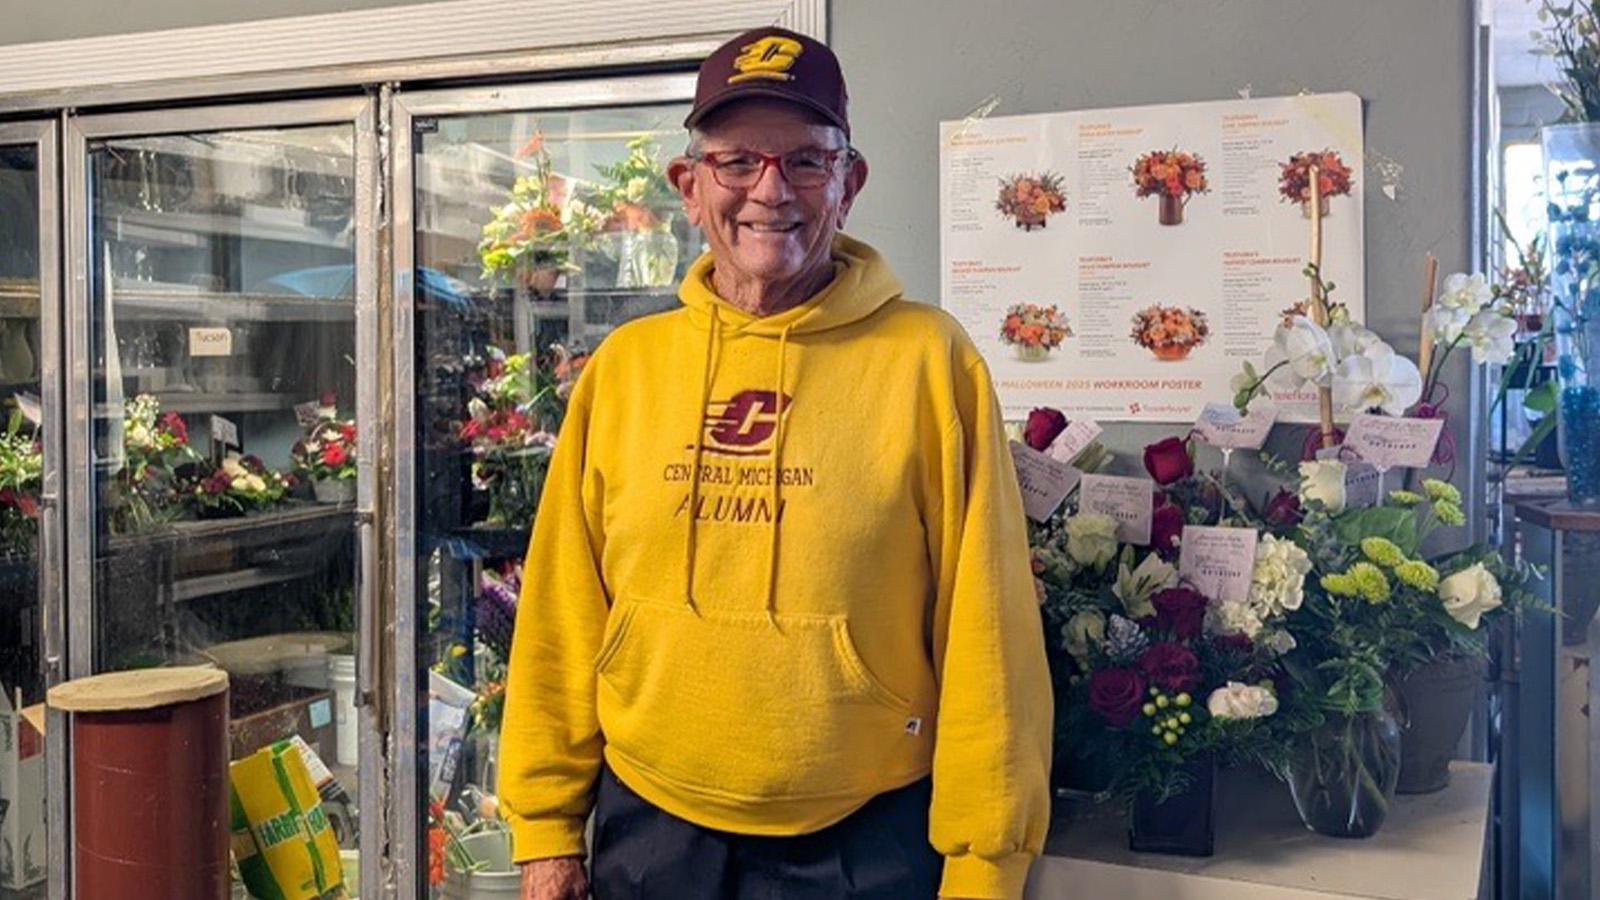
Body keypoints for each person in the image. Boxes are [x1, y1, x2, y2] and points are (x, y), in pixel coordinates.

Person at [501, 26, 1052, 900]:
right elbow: (561, 609)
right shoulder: (626, 369)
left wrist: (987, 866)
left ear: (850, 181)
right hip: (650, 826)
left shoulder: (930, 362)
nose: (770, 191)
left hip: (865, 839)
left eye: (805, 161)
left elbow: (989, 629)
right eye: (737, 163)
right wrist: (544, 829)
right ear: (690, 186)